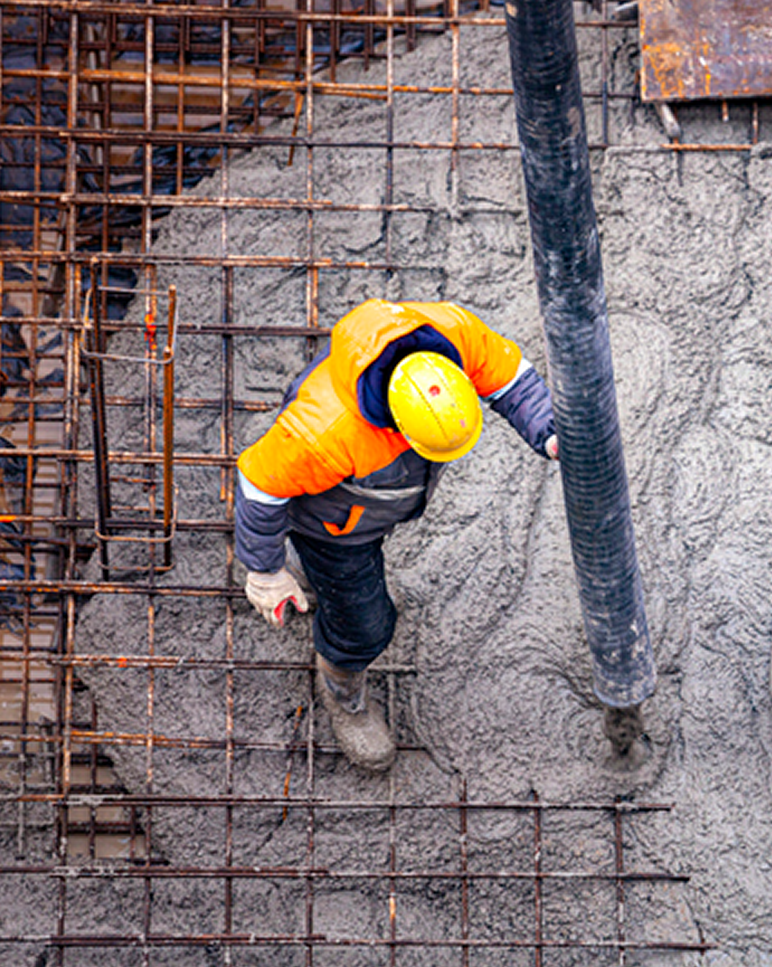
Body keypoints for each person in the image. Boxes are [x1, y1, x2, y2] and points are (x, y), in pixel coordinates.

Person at [234, 299, 558, 771]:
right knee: (366, 624)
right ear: (399, 425)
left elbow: (510, 377)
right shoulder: (325, 432)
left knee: (355, 590)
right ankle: (343, 690)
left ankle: (319, 585)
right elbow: (260, 486)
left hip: (371, 502)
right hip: (332, 528)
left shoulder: (452, 335)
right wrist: (264, 570)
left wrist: (547, 429)